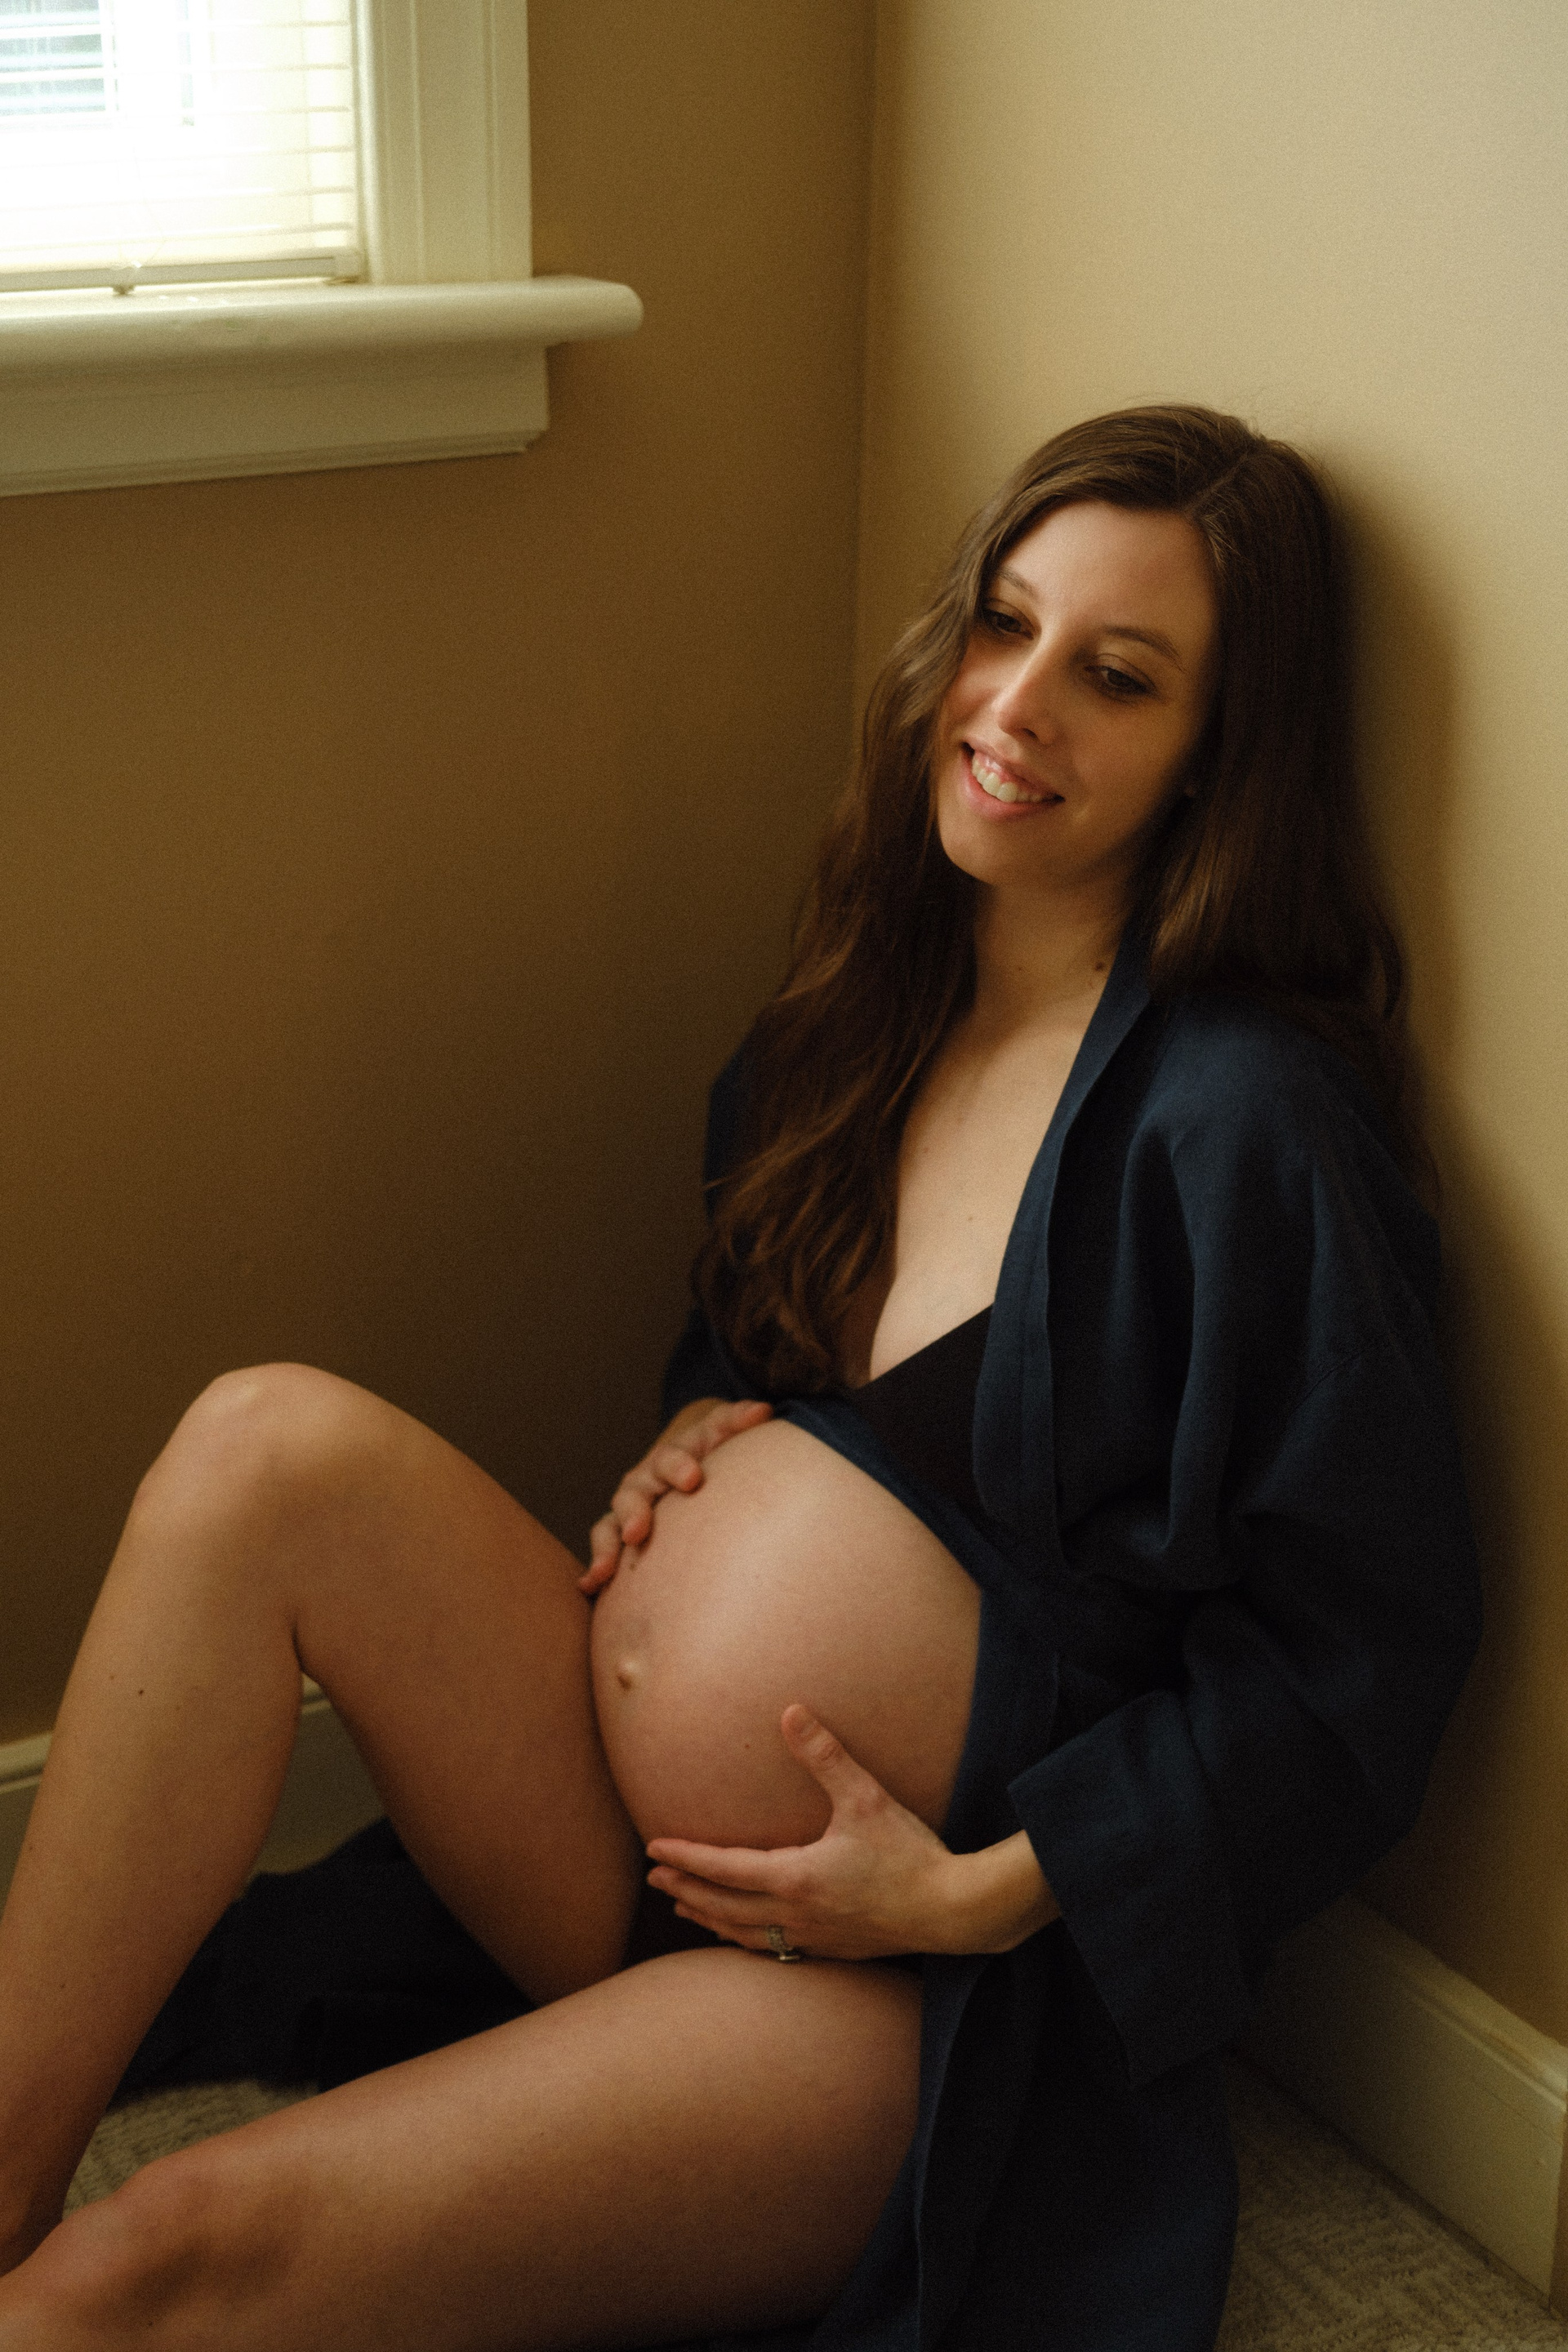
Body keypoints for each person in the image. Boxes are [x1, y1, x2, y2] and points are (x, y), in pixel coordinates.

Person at [0, 404, 1480, 2352]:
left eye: (1117, 678)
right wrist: (704, 1431)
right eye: (1006, 622)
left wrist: (983, 1893)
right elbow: (767, 1339)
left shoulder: (1248, 1123)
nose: (1018, 705)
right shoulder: (873, 1007)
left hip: (899, 1982)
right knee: (258, 1444)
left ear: (1222, 749)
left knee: (157, 2261)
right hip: (619, 1843)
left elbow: (1360, 1649)